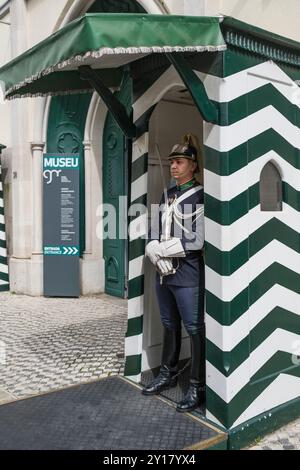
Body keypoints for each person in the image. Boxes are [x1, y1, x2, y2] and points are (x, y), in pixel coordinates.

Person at [142, 134, 205, 413]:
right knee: (169, 325)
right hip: (163, 274)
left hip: (187, 274)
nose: (174, 167)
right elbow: (155, 227)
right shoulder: (167, 194)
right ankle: (167, 374)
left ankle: (197, 386)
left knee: (194, 329)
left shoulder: (202, 195)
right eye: (172, 163)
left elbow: (199, 239)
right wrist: (152, 246)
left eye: (179, 162)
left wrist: (165, 249)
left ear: (193, 165)